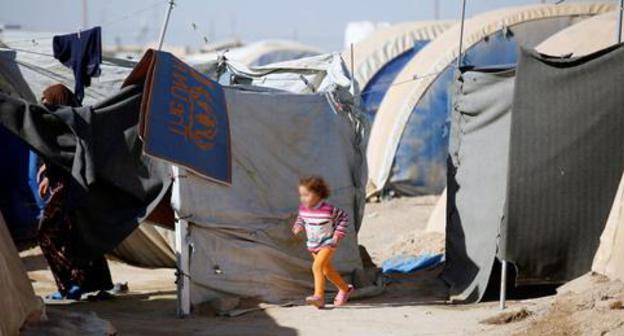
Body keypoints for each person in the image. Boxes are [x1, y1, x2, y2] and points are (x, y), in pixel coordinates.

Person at [35, 84, 113, 300]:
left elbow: (73, 153)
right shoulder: (63, 122)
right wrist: (47, 170)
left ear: (59, 100)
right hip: (70, 187)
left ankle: (71, 283)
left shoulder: (76, 122)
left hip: (74, 187)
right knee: (79, 233)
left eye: (49, 102)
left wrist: (50, 172)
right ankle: (94, 284)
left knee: (48, 233)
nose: (45, 106)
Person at [292, 176, 354, 308]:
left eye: (306, 195)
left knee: (317, 267)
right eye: (301, 195)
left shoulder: (328, 210)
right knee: (326, 271)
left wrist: (337, 235)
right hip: (313, 244)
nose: (303, 198)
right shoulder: (303, 209)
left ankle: (319, 296)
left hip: (328, 243)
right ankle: (345, 289)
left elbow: (343, 218)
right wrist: (298, 226)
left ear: (318, 194)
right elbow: (301, 218)